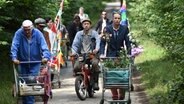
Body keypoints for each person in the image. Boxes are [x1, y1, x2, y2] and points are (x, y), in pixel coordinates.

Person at [10, 20, 51, 104]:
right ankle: (27, 102)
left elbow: (44, 46)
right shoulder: (19, 33)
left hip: (35, 62)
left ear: (32, 28)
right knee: (23, 85)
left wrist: (46, 57)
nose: (27, 32)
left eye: (29, 29)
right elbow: (14, 45)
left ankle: (30, 102)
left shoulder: (38, 34)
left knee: (30, 82)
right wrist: (14, 58)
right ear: (22, 29)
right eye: (25, 30)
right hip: (22, 62)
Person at [101, 12, 131, 103]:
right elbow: (103, 42)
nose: (117, 20)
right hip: (111, 55)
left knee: (122, 75)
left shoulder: (124, 29)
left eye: (119, 18)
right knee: (112, 75)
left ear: (120, 20)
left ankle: (122, 95)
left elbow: (128, 42)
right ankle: (114, 95)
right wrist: (102, 53)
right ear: (112, 19)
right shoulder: (107, 29)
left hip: (121, 54)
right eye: (115, 18)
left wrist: (129, 53)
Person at [72, 18, 101, 90]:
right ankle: (80, 79)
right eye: (84, 24)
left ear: (90, 25)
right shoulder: (79, 34)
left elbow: (98, 41)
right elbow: (75, 44)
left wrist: (96, 49)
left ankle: (95, 82)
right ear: (82, 25)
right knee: (76, 67)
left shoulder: (94, 33)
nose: (86, 25)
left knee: (95, 64)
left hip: (92, 54)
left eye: (88, 24)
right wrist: (74, 52)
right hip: (82, 55)